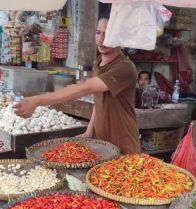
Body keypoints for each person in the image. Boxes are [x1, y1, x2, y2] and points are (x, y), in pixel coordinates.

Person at [14, 17, 140, 154]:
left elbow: (85, 88)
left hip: (124, 144)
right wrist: (89, 131)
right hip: (103, 144)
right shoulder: (99, 62)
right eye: (98, 33)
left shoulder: (124, 68)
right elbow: (99, 102)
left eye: (107, 34)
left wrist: (38, 100)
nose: (101, 39)